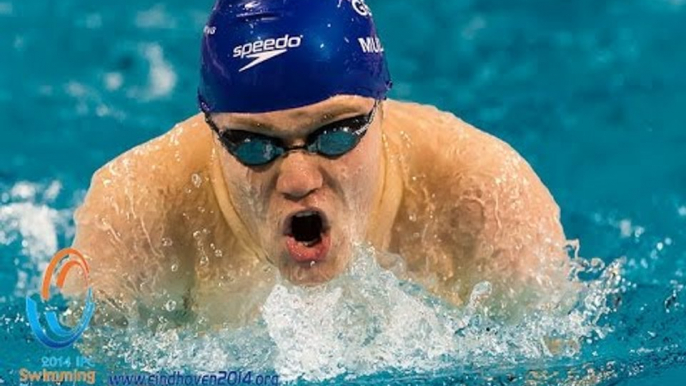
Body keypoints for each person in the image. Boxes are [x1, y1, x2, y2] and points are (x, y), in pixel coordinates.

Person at [66, 0, 569, 327]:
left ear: (380, 110)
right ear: (213, 129)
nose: (299, 180)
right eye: (253, 144)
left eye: (335, 134)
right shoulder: (136, 216)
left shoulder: (486, 199)